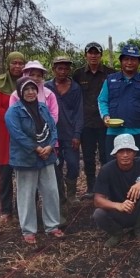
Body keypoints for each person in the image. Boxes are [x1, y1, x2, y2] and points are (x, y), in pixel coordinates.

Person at [5, 77, 64, 244]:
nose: (30, 92)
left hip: (47, 156)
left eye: (33, 89)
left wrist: (50, 146)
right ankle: (28, 230)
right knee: (26, 194)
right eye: (26, 90)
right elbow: (17, 135)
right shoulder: (13, 112)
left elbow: (53, 128)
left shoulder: (43, 108)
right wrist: (36, 148)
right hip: (26, 158)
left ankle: (52, 226)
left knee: (51, 191)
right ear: (20, 92)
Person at [92, 134, 140, 247]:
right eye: (121, 151)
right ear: (115, 154)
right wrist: (118, 205)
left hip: (139, 209)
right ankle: (117, 233)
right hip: (118, 212)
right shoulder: (106, 170)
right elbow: (97, 200)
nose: (125, 155)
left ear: (134, 152)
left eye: (129, 151)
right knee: (98, 214)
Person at [98, 43, 140, 159]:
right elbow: (102, 100)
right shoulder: (110, 80)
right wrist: (105, 116)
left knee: (138, 164)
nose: (129, 62)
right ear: (121, 61)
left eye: (133, 59)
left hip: (138, 131)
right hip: (114, 132)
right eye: (126, 59)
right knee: (112, 164)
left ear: (139, 62)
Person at [73, 42, 116, 198]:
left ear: (101, 55)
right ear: (85, 55)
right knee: (89, 157)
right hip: (86, 123)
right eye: (90, 53)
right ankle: (91, 188)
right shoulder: (78, 74)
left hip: (105, 123)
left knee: (106, 156)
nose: (93, 56)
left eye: (96, 53)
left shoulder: (111, 74)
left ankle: (106, 187)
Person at [0, 51, 25, 220]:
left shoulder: (27, 83)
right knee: (5, 171)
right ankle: (6, 210)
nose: (17, 66)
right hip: (4, 132)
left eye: (20, 63)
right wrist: (16, 120)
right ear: (8, 64)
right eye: (14, 63)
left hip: (25, 130)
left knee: (25, 172)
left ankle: (24, 209)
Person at [45, 56, 83, 205]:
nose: (63, 71)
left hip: (70, 134)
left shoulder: (75, 88)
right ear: (53, 69)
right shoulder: (47, 88)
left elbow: (79, 112)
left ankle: (72, 194)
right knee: (56, 167)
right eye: (59, 68)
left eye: (66, 68)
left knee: (73, 164)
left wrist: (77, 134)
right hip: (52, 135)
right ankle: (60, 196)